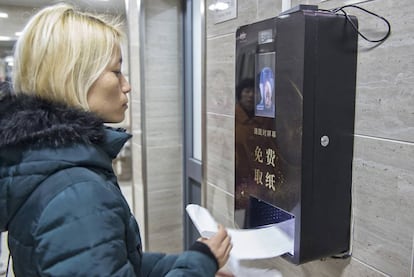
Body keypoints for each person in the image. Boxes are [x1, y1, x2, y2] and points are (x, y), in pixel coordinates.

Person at [0, 3, 231, 277]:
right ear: (75, 78)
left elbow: (118, 262)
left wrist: (191, 261)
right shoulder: (76, 195)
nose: (127, 85)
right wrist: (201, 263)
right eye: (116, 71)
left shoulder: (49, 164)